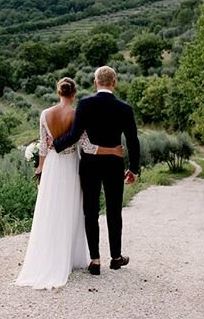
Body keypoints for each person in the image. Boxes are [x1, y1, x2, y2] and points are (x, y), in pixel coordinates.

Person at [15, 77, 123, 289]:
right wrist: (112, 150)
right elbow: (88, 146)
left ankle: (49, 257)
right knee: (72, 209)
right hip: (71, 166)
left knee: (51, 210)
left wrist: (40, 169)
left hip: (53, 167)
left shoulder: (45, 114)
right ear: (74, 94)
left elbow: (44, 148)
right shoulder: (77, 114)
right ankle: (70, 257)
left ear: (58, 92)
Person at [53, 66, 140, 275]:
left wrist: (55, 145)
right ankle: (116, 257)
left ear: (95, 83)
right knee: (114, 211)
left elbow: (74, 135)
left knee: (90, 211)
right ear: (114, 83)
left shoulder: (85, 104)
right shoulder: (125, 108)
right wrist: (134, 169)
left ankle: (95, 260)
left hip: (90, 165)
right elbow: (132, 141)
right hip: (114, 164)